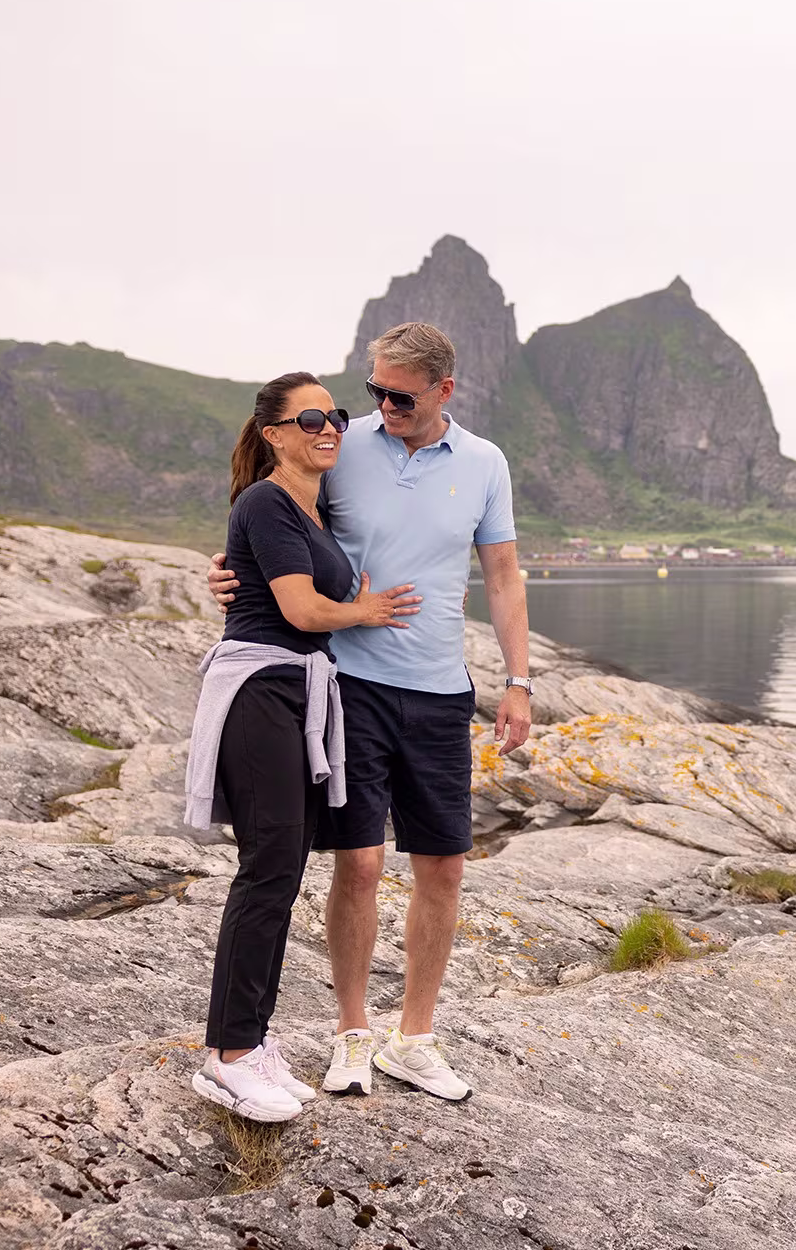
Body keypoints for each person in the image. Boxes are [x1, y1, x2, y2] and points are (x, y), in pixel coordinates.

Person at [207, 323, 531, 1102]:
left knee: (444, 868)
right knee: (357, 864)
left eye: (400, 395)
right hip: (348, 688)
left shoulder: (485, 464)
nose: (378, 407)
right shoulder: (340, 443)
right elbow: (272, 511)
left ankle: (412, 1038)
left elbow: (505, 575)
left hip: (440, 692)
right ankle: (352, 1035)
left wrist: (518, 681)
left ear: (444, 392)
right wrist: (227, 574)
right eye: (373, 392)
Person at [187, 372, 419, 1122]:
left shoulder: (308, 512)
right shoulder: (266, 500)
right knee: (268, 866)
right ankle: (227, 1058)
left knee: (281, 866)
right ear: (273, 434)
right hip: (261, 687)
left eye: (337, 416)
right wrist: (367, 610)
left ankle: (252, 1042)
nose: (329, 428)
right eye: (310, 417)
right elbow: (298, 608)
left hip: (296, 690)